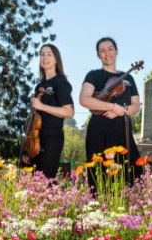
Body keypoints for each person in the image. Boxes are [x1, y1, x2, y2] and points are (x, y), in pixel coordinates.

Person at [79, 37, 142, 192]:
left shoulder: (128, 78)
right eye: (102, 50)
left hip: (122, 129)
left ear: (116, 51)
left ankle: (129, 214)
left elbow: (136, 107)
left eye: (110, 49)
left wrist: (123, 111)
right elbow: (84, 99)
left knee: (131, 174)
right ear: (98, 55)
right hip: (98, 130)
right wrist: (112, 106)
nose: (107, 53)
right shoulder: (93, 75)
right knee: (99, 176)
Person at [29, 44, 74, 179]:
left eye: (49, 54)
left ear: (56, 59)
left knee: (46, 181)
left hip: (52, 137)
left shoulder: (61, 82)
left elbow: (69, 112)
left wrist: (42, 106)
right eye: (42, 54)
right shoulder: (39, 86)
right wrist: (27, 146)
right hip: (35, 139)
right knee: (34, 181)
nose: (45, 57)